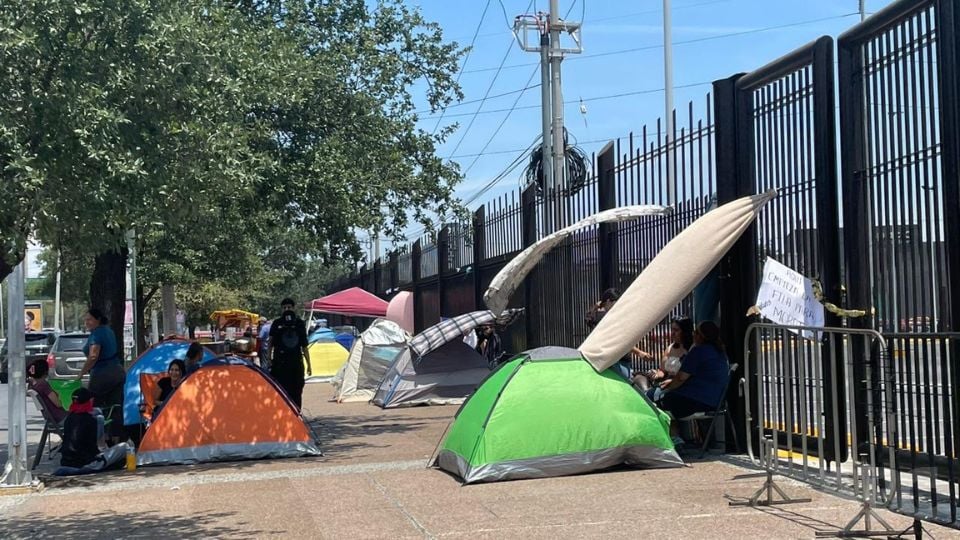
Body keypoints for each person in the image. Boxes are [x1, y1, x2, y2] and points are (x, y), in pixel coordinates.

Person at [657, 320, 731, 444]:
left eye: (696, 332)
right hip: (716, 402)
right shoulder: (720, 352)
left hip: (696, 401)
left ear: (701, 337)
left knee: (660, 400)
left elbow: (681, 378)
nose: (693, 334)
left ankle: (674, 438)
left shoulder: (699, 351)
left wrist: (668, 387)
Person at [78, 308, 126, 445]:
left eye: (89, 319)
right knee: (115, 406)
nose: (86, 322)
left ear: (97, 320)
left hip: (102, 374)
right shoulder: (108, 331)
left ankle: (98, 441)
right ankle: (116, 440)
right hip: (117, 371)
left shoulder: (97, 334)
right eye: (85, 319)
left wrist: (81, 373)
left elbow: (93, 356)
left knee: (94, 407)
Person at [268, 298, 312, 411]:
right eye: (284, 308)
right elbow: (270, 342)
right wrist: (269, 359)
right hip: (280, 364)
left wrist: (309, 364)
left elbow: (304, 346)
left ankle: (297, 413)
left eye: (289, 307)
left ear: (294, 308)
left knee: (297, 390)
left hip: (296, 363)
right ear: (281, 309)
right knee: (281, 390)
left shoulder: (299, 323)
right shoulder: (277, 323)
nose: (287, 310)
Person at [632, 317, 695, 392]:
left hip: (684, 387)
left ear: (685, 331)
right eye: (672, 329)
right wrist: (656, 375)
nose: (672, 333)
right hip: (666, 385)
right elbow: (662, 371)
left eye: (676, 330)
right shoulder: (670, 348)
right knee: (639, 379)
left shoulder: (693, 349)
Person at [584, 288, 632, 379]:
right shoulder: (606, 316)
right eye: (616, 302)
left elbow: (588, 318)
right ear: (609, 301)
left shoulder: (596, 315)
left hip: (605, 357)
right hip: (618, 358)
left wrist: (595, 306)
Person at [61, 388, 102, 468]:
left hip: (65, 460)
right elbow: (92, 446)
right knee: (123, 449)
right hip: (83, 461)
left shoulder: (69, 418)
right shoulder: (90, 420)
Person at [27, 359, 68, 424]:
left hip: (51, 419)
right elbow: (58, 404)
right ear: (45, 372)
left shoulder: (35, 386)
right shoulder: (44, 385)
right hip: (61, 418)